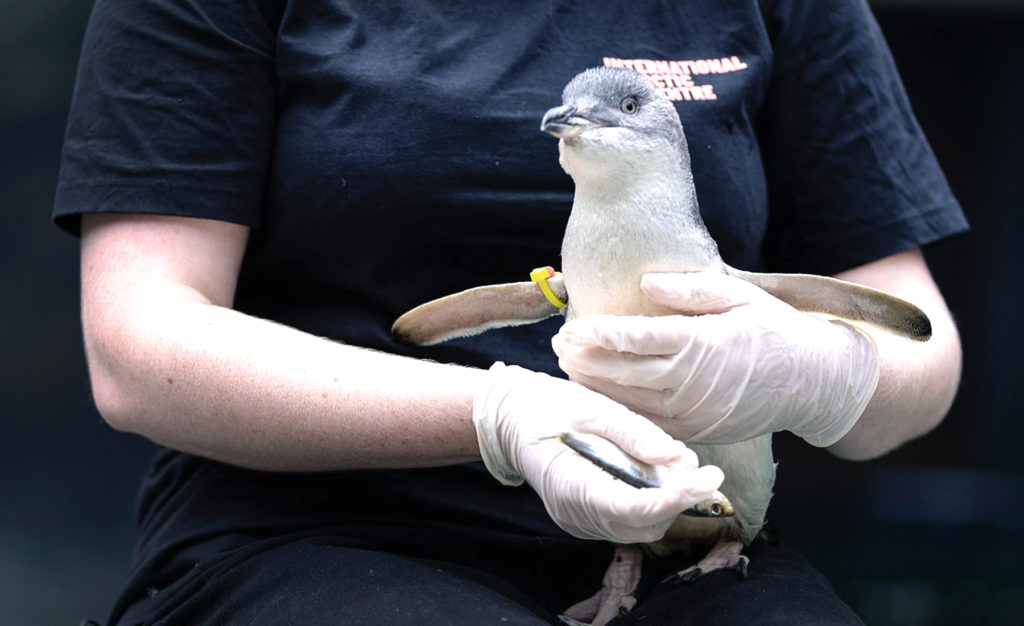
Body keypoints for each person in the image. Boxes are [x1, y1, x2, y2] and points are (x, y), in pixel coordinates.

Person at [54, 0, 966, 624]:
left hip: (686, 528)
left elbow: (921, 346)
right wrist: (501, 414)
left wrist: (820, 372)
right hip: (317, 529)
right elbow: (142, 345)